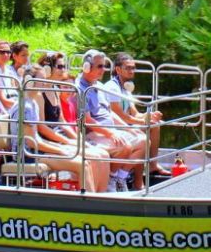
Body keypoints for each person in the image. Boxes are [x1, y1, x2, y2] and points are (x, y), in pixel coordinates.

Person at [18, 65, 109, 192]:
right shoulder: (26, 106)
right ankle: (89, 204)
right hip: (28, 155)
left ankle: (98, 197)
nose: (45, 83)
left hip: (37, 150)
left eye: (45, 79)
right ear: (29, 80)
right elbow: (30, 142)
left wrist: (61, 148)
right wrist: (61, 150)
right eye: (41, 80)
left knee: (88, 159)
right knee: (83, 164)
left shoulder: (32, 103)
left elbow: (37, 140)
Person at [75, 49, 147, 190]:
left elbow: (110, 113)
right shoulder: (80, 88)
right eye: (99, 66)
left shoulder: (99, 86)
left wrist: (127, 128)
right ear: (86, 67)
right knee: (124, 146)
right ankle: (110, 180)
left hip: (108, 130)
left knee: (143, 140)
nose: (103, 70)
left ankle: (119, 178)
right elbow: (87, 120)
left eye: (104, 66)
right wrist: (110, 133)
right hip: (93, 133)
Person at [103, 52, 165, 174]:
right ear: (118, 69)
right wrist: (143, 121)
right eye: (128, 68)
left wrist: (150, 116)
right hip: (116, 127)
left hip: (126, 124)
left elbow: (134, 113)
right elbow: (120, 116)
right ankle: (137, 181)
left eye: (133, 68)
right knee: (146, 131)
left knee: (154, 125)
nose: (131, 71)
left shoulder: (126, 87)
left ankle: (153, 165)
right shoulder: (112, 87)